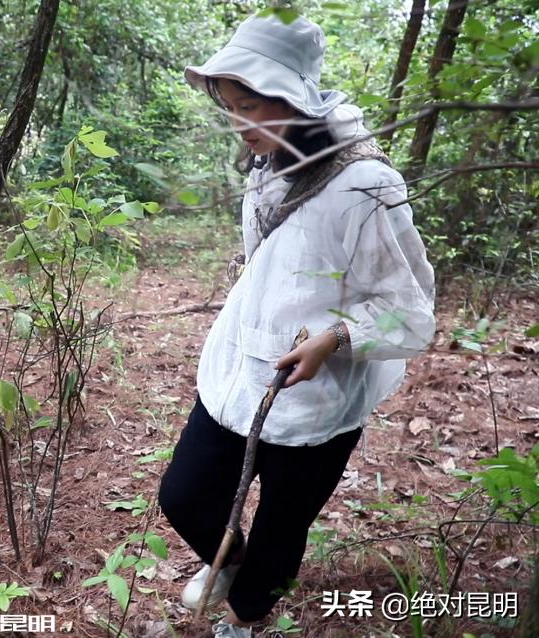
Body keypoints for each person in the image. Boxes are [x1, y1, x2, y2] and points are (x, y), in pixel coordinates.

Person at [157, 14, 436, 638]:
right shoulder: (269, 163)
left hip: (317, 400)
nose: (240, 122)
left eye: (252, 104)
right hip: (239, 372)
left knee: (284, 524)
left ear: (293, 96)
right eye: (230, 107)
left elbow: (410, 309)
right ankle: (231, 566)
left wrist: (334, 338)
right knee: (185, 496)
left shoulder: (367, 186)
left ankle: (244, 616)